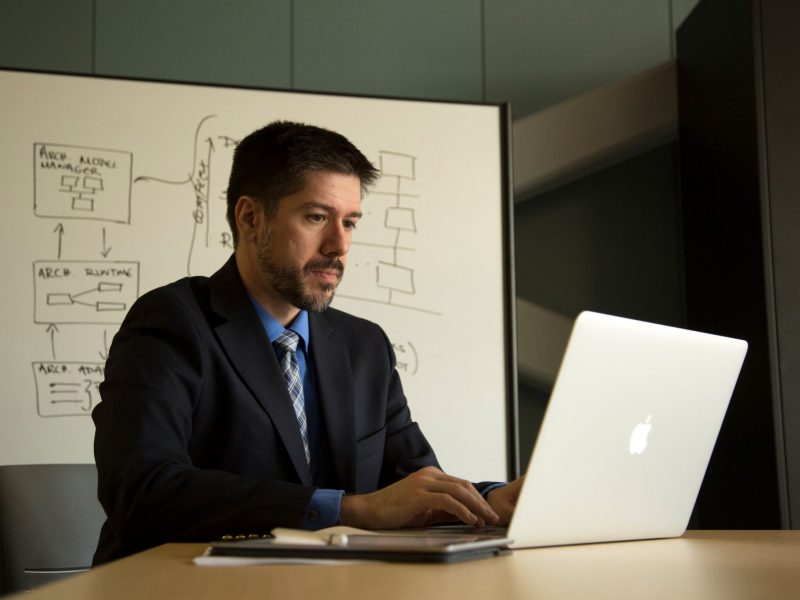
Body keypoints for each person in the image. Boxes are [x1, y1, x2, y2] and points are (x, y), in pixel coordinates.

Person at [92, 121, 522, 564]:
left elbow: (412, 484)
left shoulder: (364, 346)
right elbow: (142, 491)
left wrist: (493, 501)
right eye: (316, 217)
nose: (339, 245)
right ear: (250, 218)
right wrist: (351, 509)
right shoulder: (172, 322)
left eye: (350, 222)